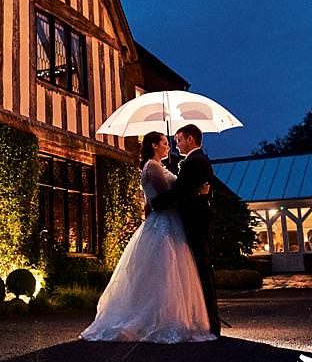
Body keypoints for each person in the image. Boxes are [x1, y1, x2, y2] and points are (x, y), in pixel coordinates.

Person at [80, 131, 216, 343]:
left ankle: (174, 317)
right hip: (163, 223)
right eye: (164, 143)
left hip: (171, 223)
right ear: (153, 145)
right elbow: (166, 197)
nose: (169, 146)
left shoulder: (160, 166)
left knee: (173, 274)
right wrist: (195, 193)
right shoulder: (152, 166)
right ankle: (156, 319)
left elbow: (176, 191)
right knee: (164, 273)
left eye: (173, 142)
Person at [149, 124, 223, 335]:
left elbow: (179, 192)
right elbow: (188, 189)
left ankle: (210, 321)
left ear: (190, 139)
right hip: (195, 219)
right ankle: (206, 319)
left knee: (200, 269)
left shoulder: (195, 162)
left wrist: (154, 204)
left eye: (179, 140)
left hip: (194, 221)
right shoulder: (197, 161)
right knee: (196, 269)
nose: (176, 144)